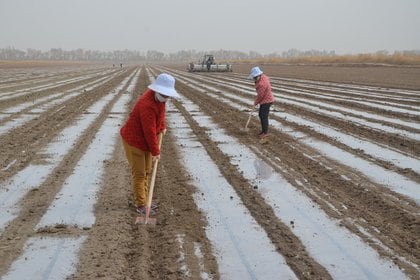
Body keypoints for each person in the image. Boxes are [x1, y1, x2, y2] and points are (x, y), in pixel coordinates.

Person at [120, 73, 180, 214]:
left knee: (147, 171)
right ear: (157, 90)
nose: (166, 98)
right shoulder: (147, 105)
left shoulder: (160, 100)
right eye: (165, 95)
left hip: (145, 141)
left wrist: (162, 126)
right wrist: (156, 152)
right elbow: (149, 131)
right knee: (140, 173)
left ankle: (146, 201)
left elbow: (161, 115)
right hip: (134, 141)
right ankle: (141, 205)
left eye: (168, 96)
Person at [248, 66, 275, 142]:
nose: (254, 79)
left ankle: (265, 132)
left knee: (263, 116)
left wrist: (255, 103)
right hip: (266, 99)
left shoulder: (262, 84)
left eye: (255, 78)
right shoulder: (263, 77)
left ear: (258, 75)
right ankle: (263, 131)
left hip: (267, 100)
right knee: (261, 115)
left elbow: (260, 96)